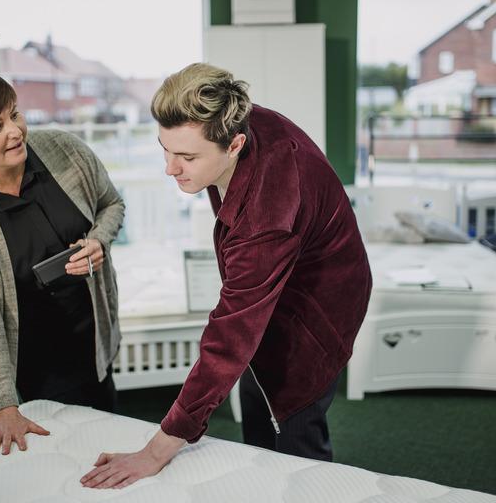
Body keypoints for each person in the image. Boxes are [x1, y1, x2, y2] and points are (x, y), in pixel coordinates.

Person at [81, 63, 371, 489]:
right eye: (165, 149)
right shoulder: (241, 119)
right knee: (255, 397)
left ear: (235, 144)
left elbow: (229, 338)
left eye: (187, 157)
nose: (170, 168)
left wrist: (157, 449)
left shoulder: (266, 217)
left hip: (319, 306)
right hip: (287, 274)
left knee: (292, 422)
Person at [0, 69, 125, 455]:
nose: (15, 131)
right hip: (38, 356)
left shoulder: (66, 151)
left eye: (15, 114)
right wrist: (3, 405)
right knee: (63, 452)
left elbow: (111, 203)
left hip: (96, 333)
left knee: (108, 430)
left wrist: (99, 239)